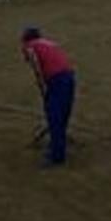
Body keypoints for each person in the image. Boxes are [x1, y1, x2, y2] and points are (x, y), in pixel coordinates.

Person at [20, 26, 75, 167]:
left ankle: (56, 156)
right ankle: (58, 143)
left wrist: (43, 89)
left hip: (56, 80)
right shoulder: (48, 43)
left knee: (54, 116)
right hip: (69, 76)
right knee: (63, 113)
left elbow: (36, 67)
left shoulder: (30, 46)